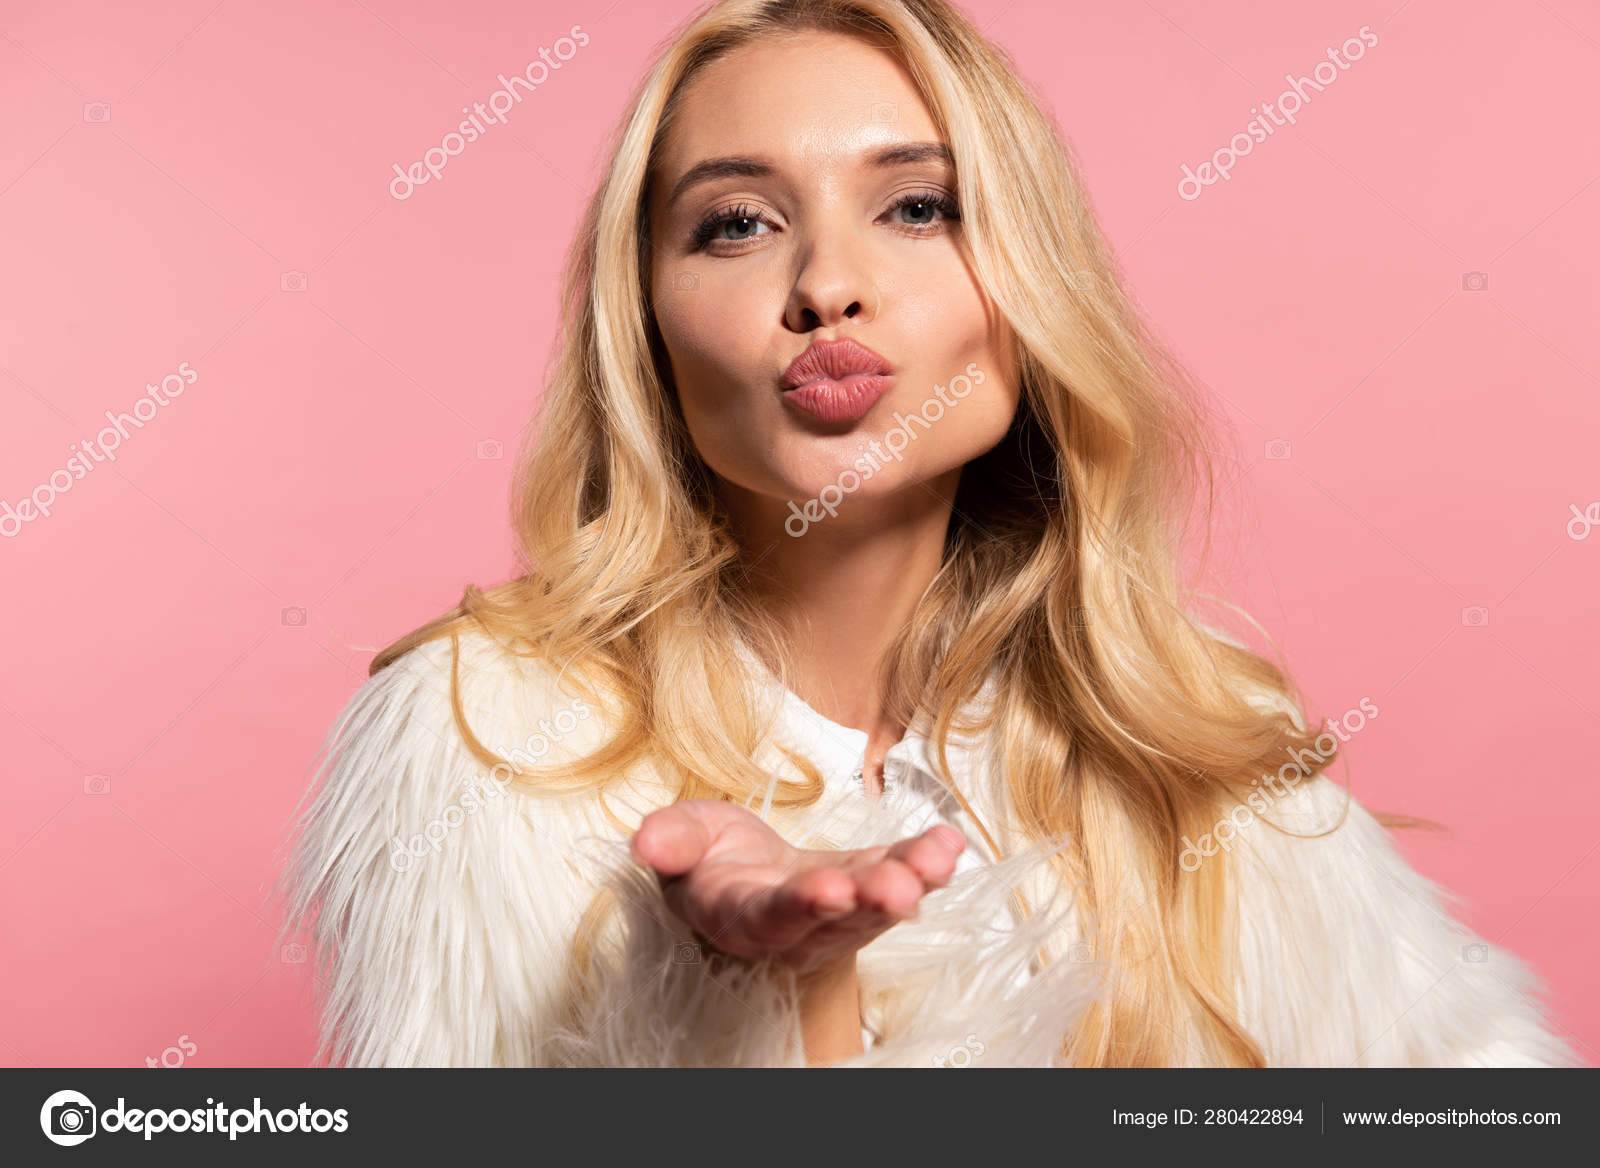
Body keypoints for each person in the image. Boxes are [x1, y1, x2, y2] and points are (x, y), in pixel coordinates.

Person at [273, 0, 1580, 1068]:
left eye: (918, 206)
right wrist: (753, 1003)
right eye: (736, 222)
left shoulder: (1198, 747)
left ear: (1028, 290)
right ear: (648, 333)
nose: (826, 285)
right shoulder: (484, 741)